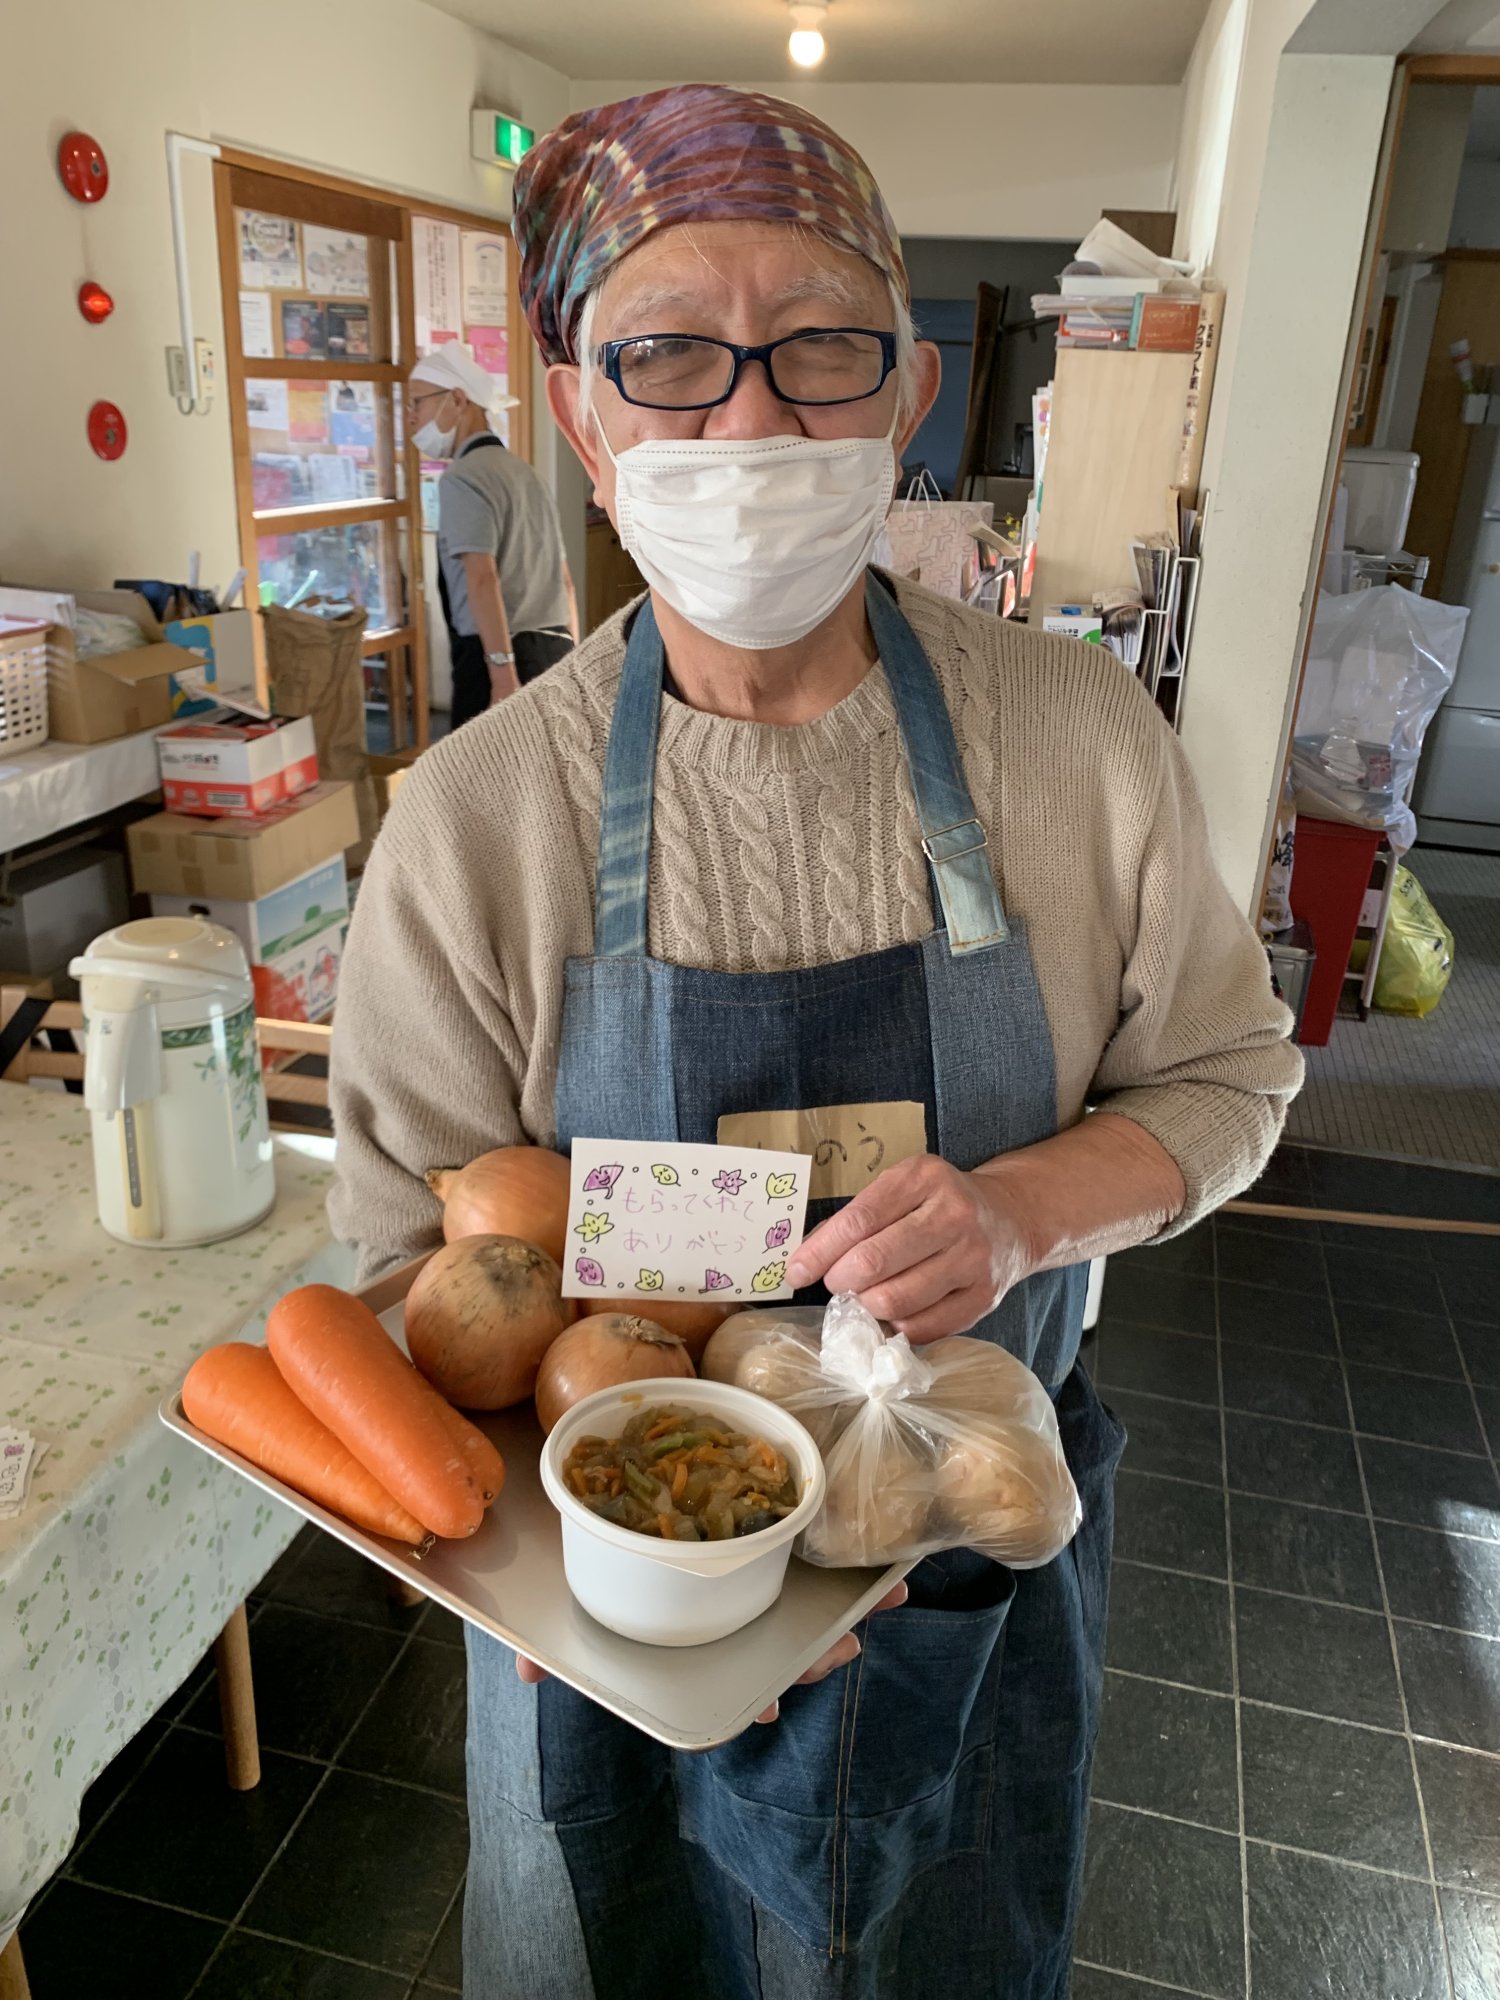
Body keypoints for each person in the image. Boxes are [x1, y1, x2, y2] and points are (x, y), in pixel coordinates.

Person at [332, 85, 1302, 2000]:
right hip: (615, 1604)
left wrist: (1021, 1212)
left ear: (909, 391)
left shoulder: (1077, 743)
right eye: (670, 356)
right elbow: (401, 1274)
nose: (752, 421)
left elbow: (1231, 1074)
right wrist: (612, 1585)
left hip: (964, 1550)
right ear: (579, 411)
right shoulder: (475, 823)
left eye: (819, 348)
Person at [406, 343, 577, 729]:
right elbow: (564, 580)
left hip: (497, 656)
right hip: (555, 648)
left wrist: (502, 677)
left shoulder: (463, 477)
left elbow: (482, 578)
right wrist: (573, 656)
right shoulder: (527, 474)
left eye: (417, 403)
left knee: (484, 766)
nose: (412, 418)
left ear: (457, 399)